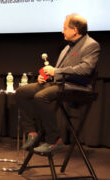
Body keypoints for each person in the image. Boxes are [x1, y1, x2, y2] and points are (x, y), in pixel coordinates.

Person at [15, 14, 100, 153]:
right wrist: (47, 77)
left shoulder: (91, 45)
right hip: (60, 84)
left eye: (64, 28)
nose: (62, 31)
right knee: (22, 92)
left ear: (75, 30)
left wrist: (56, 72)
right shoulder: (66, 48)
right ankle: (32, 133)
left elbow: (86, 69)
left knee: (41, 96)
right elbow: (60, 72)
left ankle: (54, 140)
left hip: (77, 87)